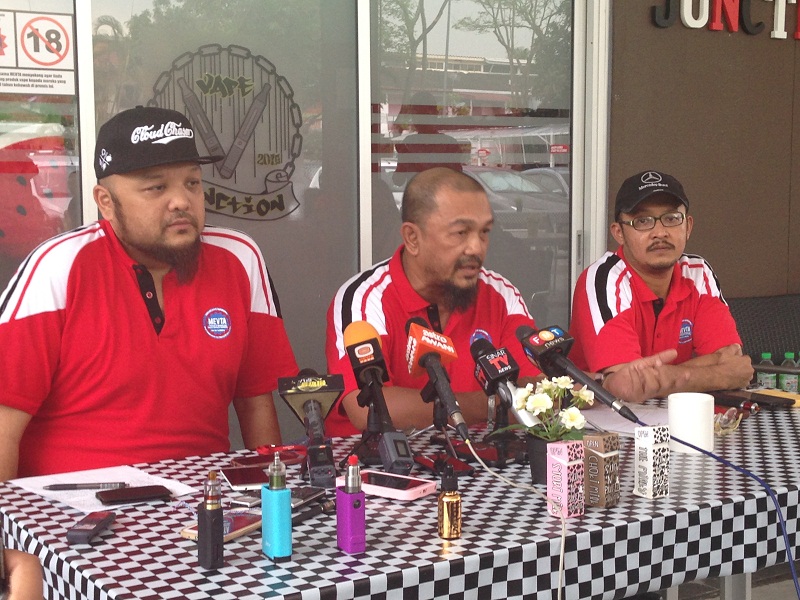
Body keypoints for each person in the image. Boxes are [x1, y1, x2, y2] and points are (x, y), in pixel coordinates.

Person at [0, 106, 298, 480]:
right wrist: (13, 535)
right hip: (71, 521)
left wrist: (270, 502)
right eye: (157, 187)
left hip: (204, 511)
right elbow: (3, 423)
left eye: (192, 183)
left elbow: (256, 405)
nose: (181, 201)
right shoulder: (58, 266)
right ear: (105, 202)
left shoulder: (239, 258)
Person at [325, 167, 541, 437]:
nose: (477, 247)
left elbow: (539, 390)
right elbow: (370, 406)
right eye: (461, 233)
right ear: (412, 238)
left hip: (481, 464)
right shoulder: (364, 298)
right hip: (377, 469)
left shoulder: (500, 293)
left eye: (484, 232)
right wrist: (493, 404)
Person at [569, 169, 753, 403]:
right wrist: (715, 375)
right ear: (619, 233)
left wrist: (662, 379)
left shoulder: (698, 272)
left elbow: (731, 359)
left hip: (678, 414)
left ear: (688, 226)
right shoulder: (603, 278)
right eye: (643, 221)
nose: (660, 232)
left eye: (671, 218)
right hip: (602, 421)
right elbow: (628, 385)